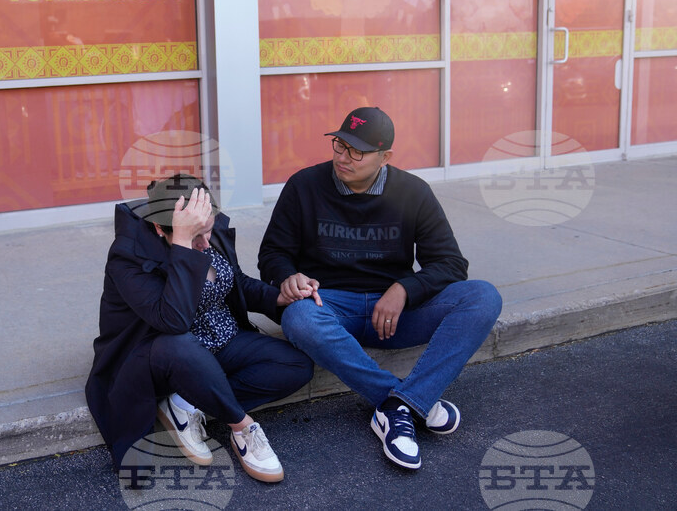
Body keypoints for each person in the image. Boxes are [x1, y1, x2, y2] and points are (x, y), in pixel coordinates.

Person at [258, 106, 502, 470]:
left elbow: (452, 264)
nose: (343, 157)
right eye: (339, 145)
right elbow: (273, 254)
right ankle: (404, 402)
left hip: (396, 315)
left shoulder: (413, 192)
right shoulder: (304, 186)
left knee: (483, 297)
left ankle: (401, 403)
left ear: (384, 157)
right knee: (299, 318)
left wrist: (405, 289)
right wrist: (287, 276)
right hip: (331, 306)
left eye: (356, 151)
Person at [86, 174, 313, 483]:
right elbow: (173, 321)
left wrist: (280, 296)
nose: (206, 244)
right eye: (197, 237)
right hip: (159, 356)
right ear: (160, 228)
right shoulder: (128, 256)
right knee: (180, 343)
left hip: (219, 341)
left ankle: (186, 403)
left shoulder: (206, 230)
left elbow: (234, 282)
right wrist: (183, 246)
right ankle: (242, 427)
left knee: (296, 364)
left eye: (208, 231)